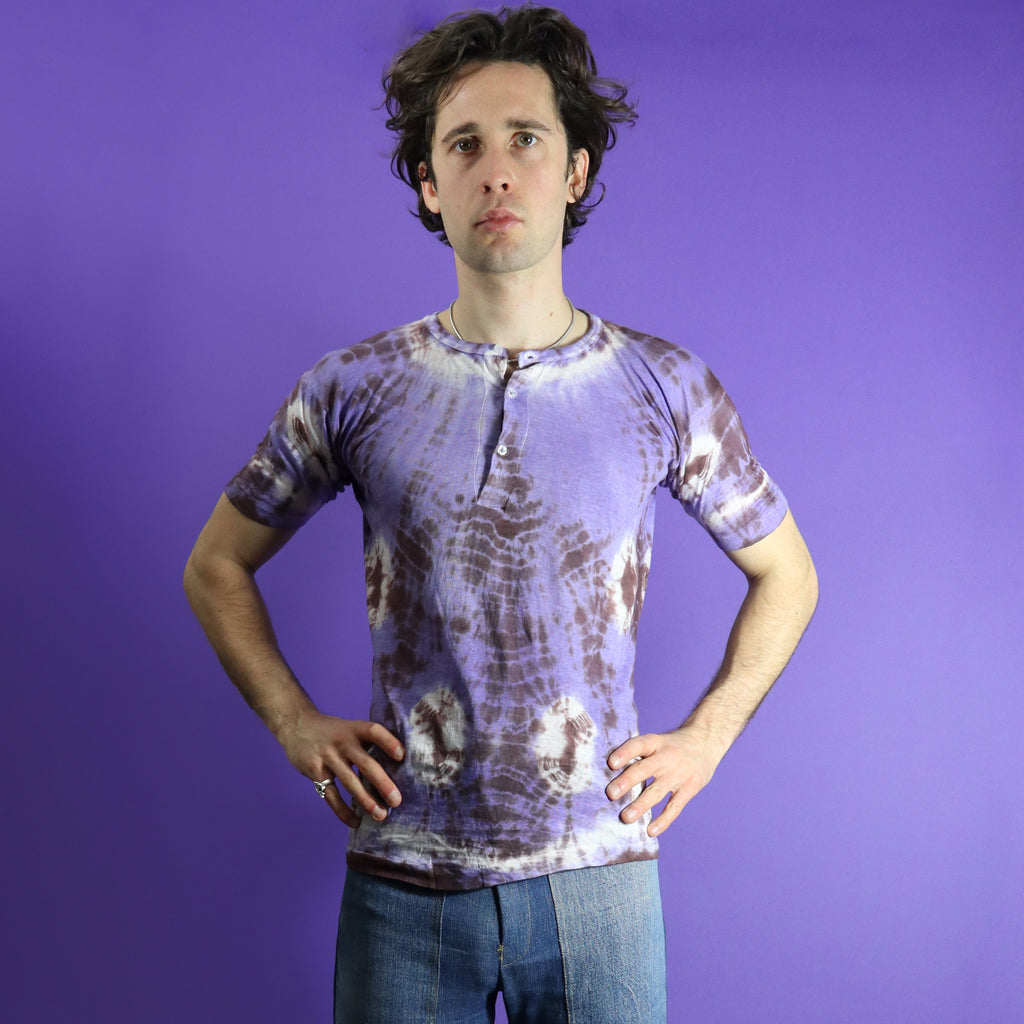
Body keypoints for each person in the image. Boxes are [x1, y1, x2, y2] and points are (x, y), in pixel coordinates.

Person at [184, 6, 818, 1022]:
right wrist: (294, 722)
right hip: (403, 880)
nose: (497, 171)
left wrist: (706, 737)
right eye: (464, 145)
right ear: (429, 185)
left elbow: (788, 573)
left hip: (599, 880)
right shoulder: (352, 387)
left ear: (574, 172)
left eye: (526, 138)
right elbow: (216, 564)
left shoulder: (665, 385)